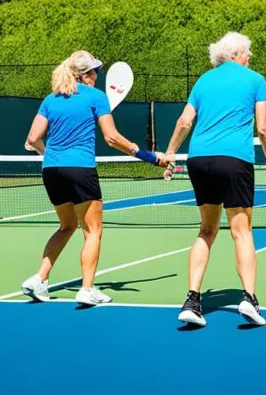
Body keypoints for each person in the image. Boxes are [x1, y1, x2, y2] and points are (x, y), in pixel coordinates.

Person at [21, 51, 162, 306]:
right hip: (80, 170)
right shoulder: (97, 97)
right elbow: (111, 137)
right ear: (85, 75)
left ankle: (39, 279)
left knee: (66, 226)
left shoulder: (50, 100)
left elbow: (32, 139)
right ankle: (87, 289)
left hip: (52, 170)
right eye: (95, 71)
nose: (97, 76)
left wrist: (49, 154)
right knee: (93, 230)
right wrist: (148, 156)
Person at [161, 32, 266, 328]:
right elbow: (264, 129)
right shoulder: (255, 80)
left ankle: (192, 300)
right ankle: (249, 299)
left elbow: (185, 121)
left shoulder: (203, 80)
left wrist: (171, 153)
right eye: (247, 51)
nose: (250, 56)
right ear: (236, 53)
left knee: (206, 230)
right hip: (234, 160)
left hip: (199, 161)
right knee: (242, 231)